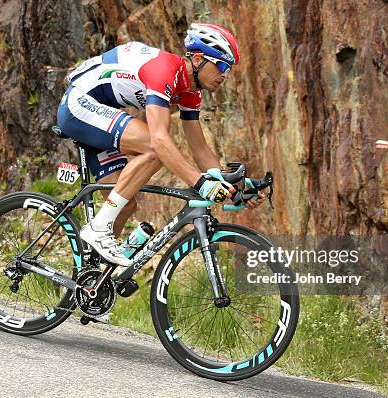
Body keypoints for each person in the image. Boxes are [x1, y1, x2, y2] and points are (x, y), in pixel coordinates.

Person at [56, 22, 264, 267]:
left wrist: (233, 188)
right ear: (197, 59)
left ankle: (92, 278)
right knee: (155, 148)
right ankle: (98, 229)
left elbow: (199, 148)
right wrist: (198, 182)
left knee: (125, 204)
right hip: (80, 104)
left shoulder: (190, 92)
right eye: (221, 64)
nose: (225, 74)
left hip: (104, 113)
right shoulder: (163, 70)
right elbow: (159, 140)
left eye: (228, 68)